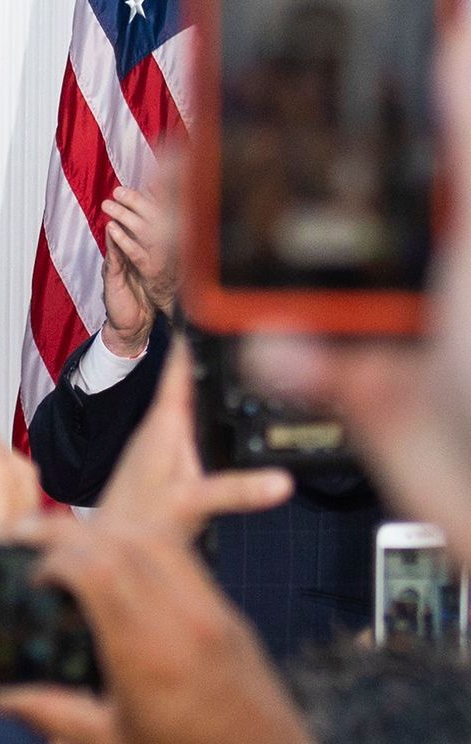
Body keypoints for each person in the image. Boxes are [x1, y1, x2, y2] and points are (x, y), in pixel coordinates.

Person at [25, 181, 380, 657]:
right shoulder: (194, 306)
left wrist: (182, 302)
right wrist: (124, 341)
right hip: (167, 660)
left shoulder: (377, 294)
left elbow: (337, 469)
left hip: (306, 659)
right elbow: (68, 473)